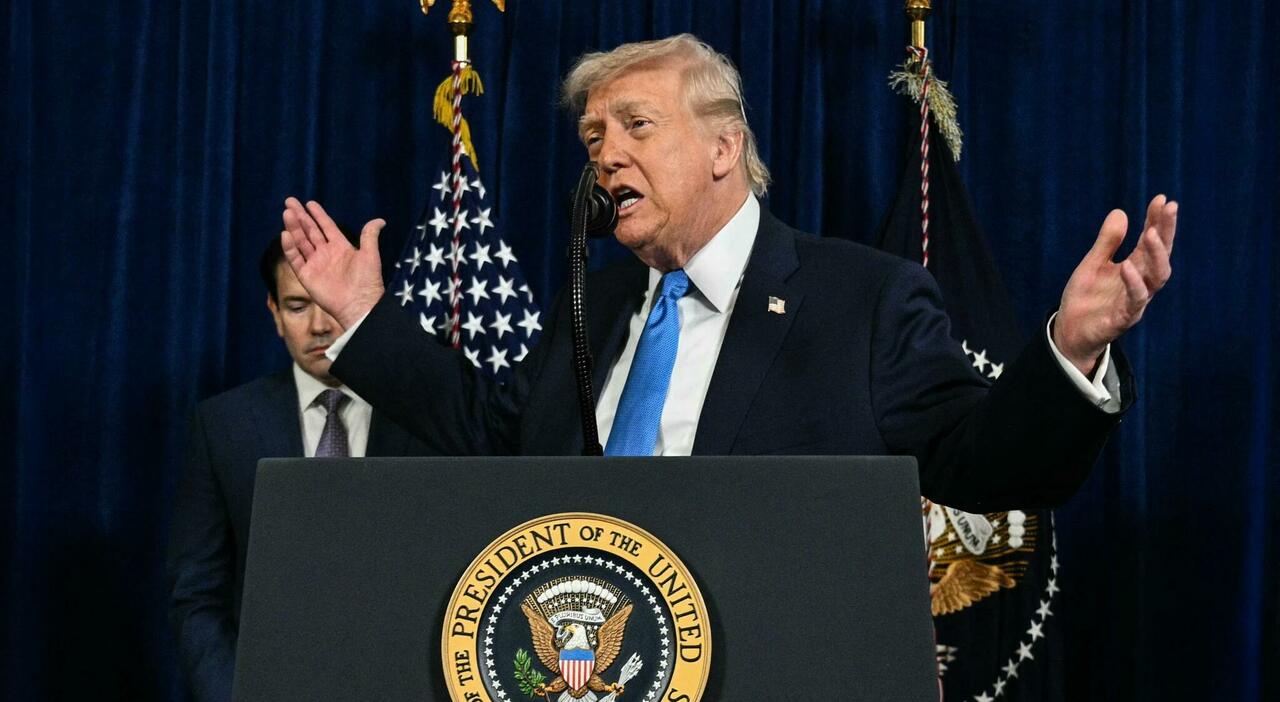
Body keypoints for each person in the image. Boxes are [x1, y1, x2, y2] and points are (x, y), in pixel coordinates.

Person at [277, 34, 1176, 510]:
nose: (606, 156)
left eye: (636, 126)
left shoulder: (863, 300)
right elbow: (489, 432)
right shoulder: (596, 304)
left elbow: (985, 466)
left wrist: (1069, 353)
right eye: (593, 138)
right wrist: (364, 322)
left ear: (723, 147)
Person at [166, 234, 430, 702]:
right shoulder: (224, 425)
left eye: (330, 302)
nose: (319, 326)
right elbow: (197, 592)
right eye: (297, 306)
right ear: (273, 312)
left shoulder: (426, 416)